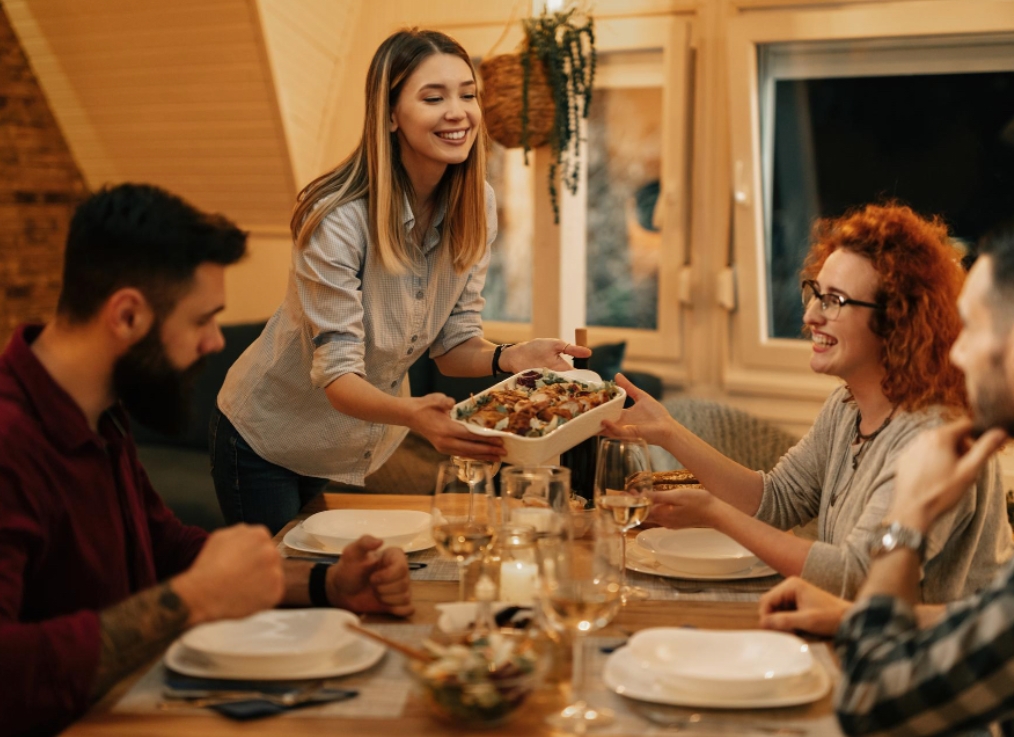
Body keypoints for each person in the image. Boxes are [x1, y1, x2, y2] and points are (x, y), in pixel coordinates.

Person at [0, 184, 414, 737]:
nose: (216, 342)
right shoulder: (10, 441)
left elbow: (167, 548)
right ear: (127, 316)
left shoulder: (101, 413)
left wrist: (328, 586)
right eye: (202, 320)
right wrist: (192, 601)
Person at [212, 28, 588, 533]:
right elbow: (339, 376)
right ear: (390, 116)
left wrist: (510, 357)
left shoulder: (479, 206)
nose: (458, 112)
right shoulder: (337, 218)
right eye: (433, 97)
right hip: (263, 439)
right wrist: (415, 416)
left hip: (339, 446)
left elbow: (453, 345)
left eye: (467, 94)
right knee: (282, 590)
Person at [604, 203, 1012, 602]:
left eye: (834, 300)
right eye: (815, 293)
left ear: (897, 320)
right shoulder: (847, 408)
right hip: (855, 639)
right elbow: (777, 500)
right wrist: (670, 431)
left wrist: (715, 514)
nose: (812, 316)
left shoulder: (933, 434)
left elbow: (857, 577)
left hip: (928, 662)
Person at [758, 222, 1014, 736]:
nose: (958, 352)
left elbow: (872, 703)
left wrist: (907, 521)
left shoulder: (931, 430)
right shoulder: (846, 408)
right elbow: (987, 624)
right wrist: (847, 617)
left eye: (979, 329)